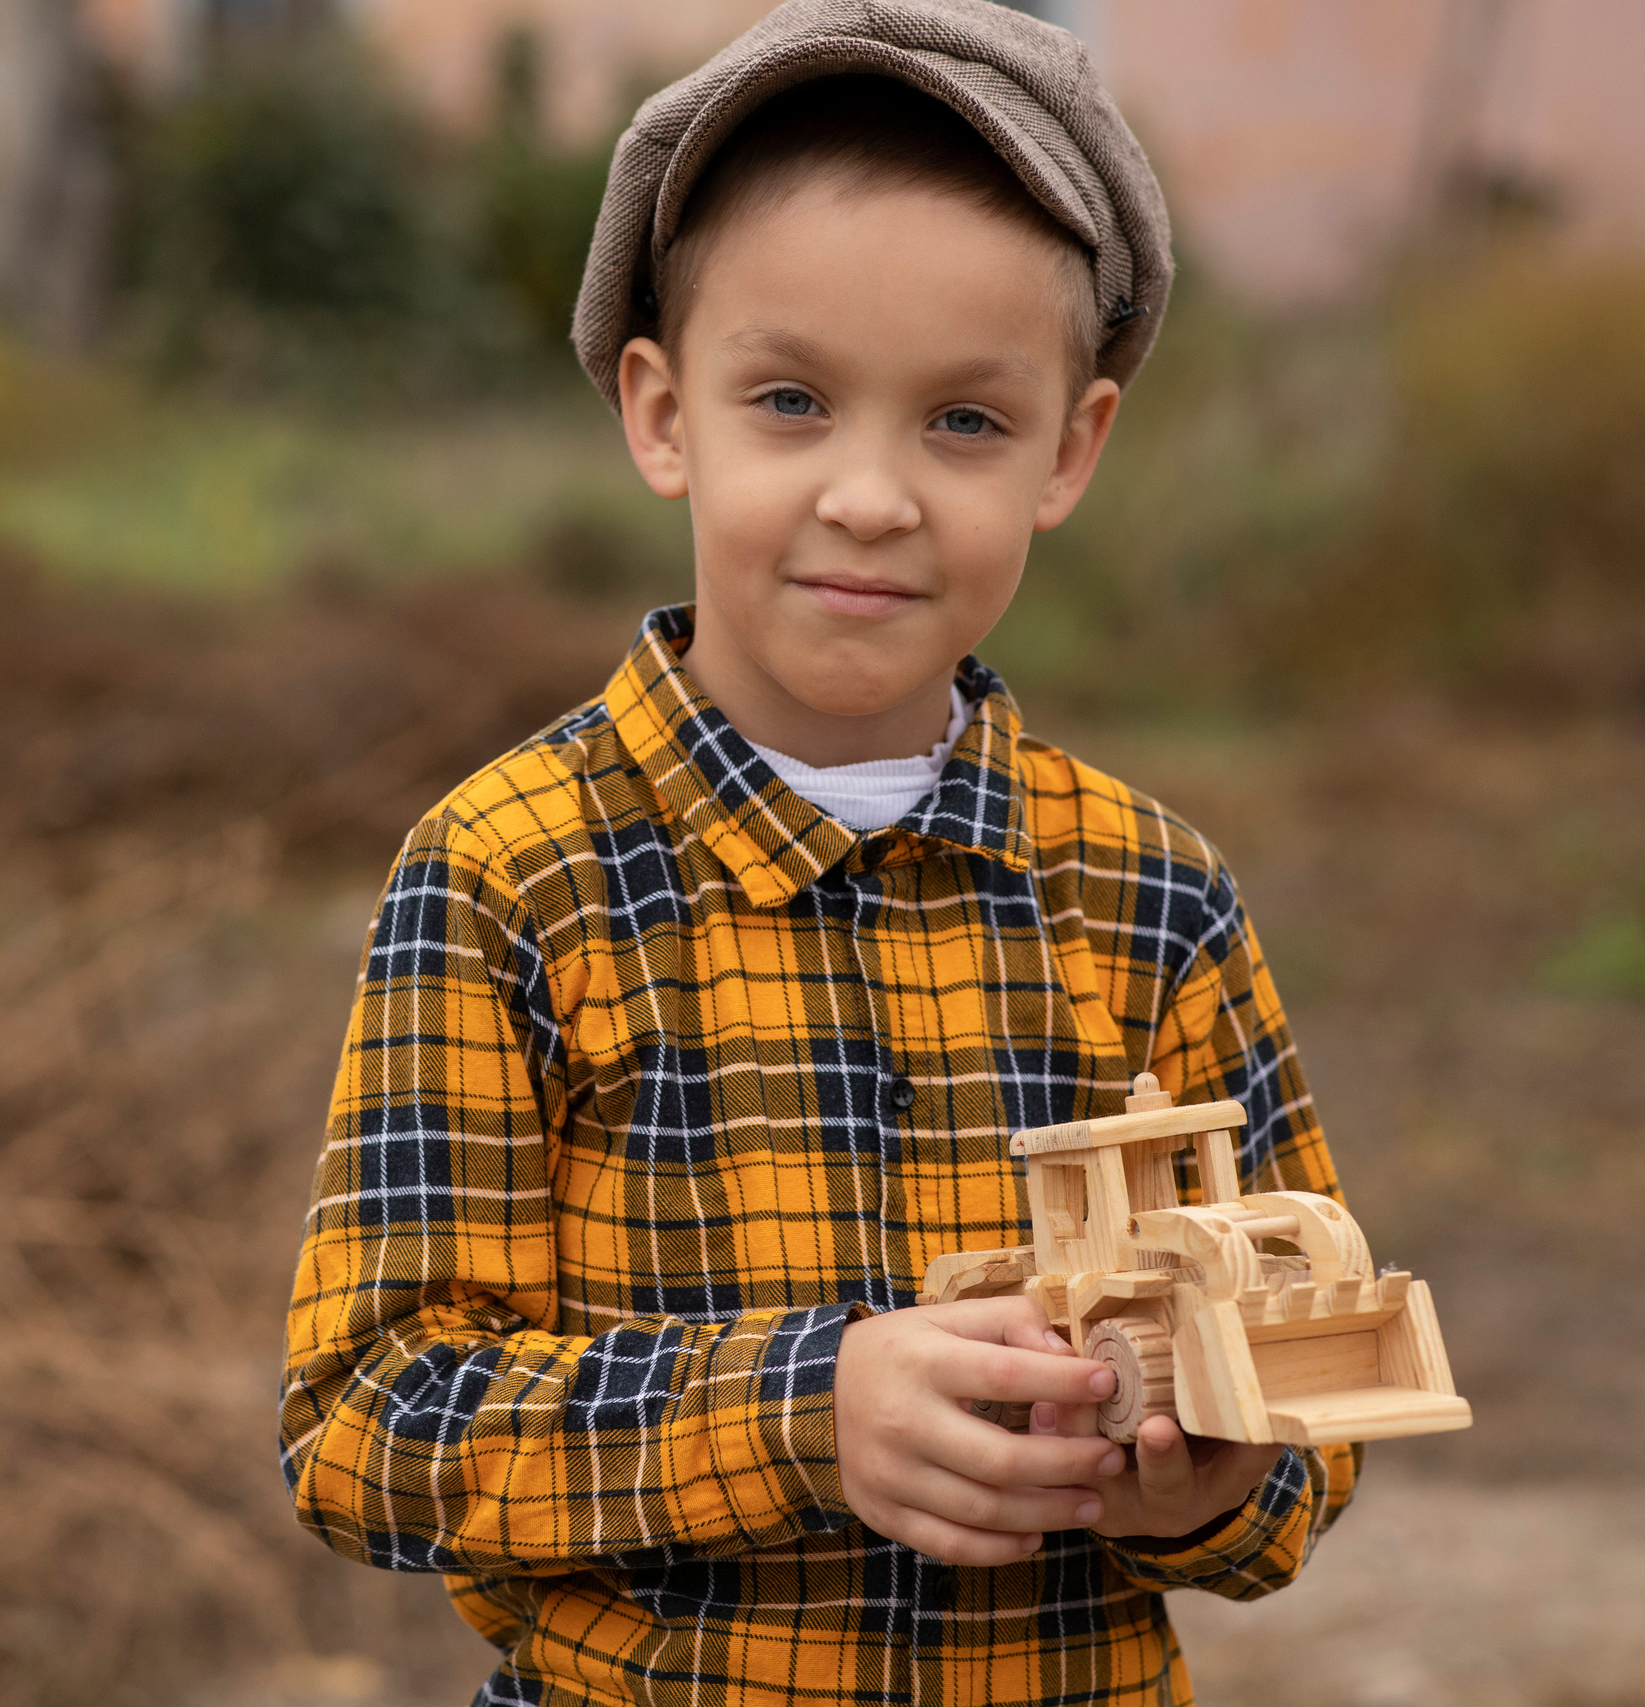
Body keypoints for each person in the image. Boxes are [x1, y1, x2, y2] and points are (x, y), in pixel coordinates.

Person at [282, 5, 1354, 1701]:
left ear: (1070, 450)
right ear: (663, 416)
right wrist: (804, 1414)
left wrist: (1214, 1478)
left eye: (965, 422)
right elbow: (368, 1425)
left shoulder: (1153, 895)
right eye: (791, 402)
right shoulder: (507, 878)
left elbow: (1315, 1389)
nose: (871, 496)